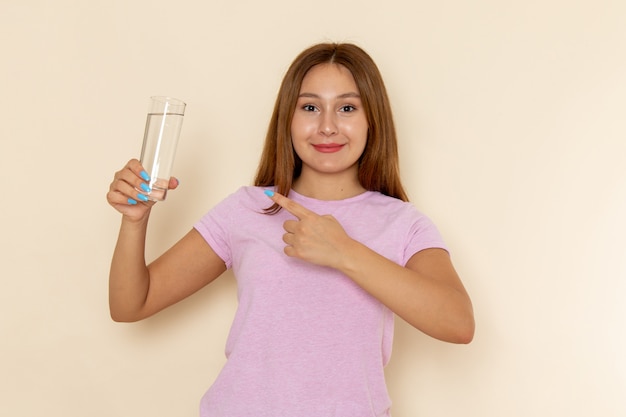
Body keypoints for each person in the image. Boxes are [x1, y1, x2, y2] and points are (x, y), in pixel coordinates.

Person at [107, 42, 474, 417]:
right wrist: (134, 222)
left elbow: (458, 323)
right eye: (310, 107)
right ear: (288, 118)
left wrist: (344, 252)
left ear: (371, 120)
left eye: (347, 108)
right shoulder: (247, 209)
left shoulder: (403, 223)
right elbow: (131, 304)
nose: (327, 126)